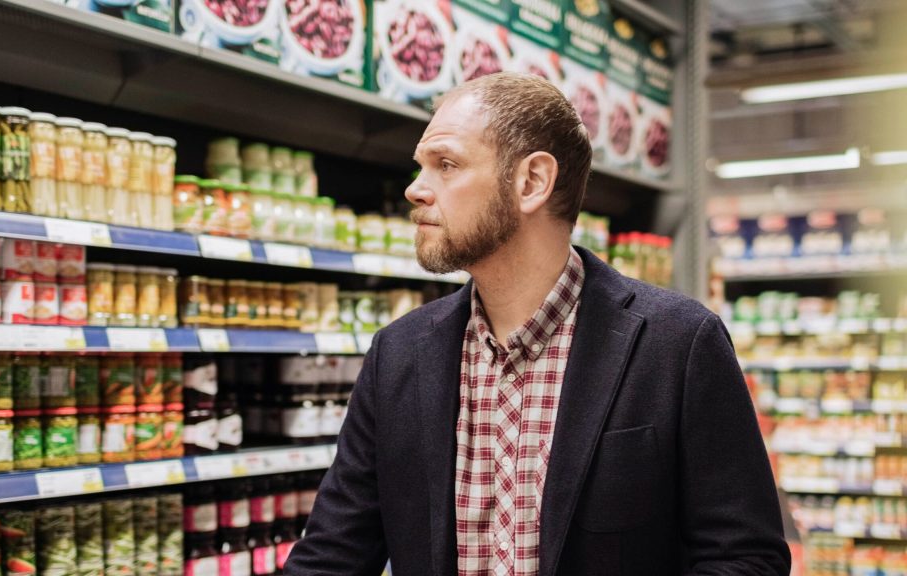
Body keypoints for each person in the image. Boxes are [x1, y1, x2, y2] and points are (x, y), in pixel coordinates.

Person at [284, 72, 791, 576]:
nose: (416, 190)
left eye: (446, 165)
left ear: (531, 182)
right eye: (421, 168)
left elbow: (747, 559)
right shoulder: (398, 353)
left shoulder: (678, 343)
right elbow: (332, 554)